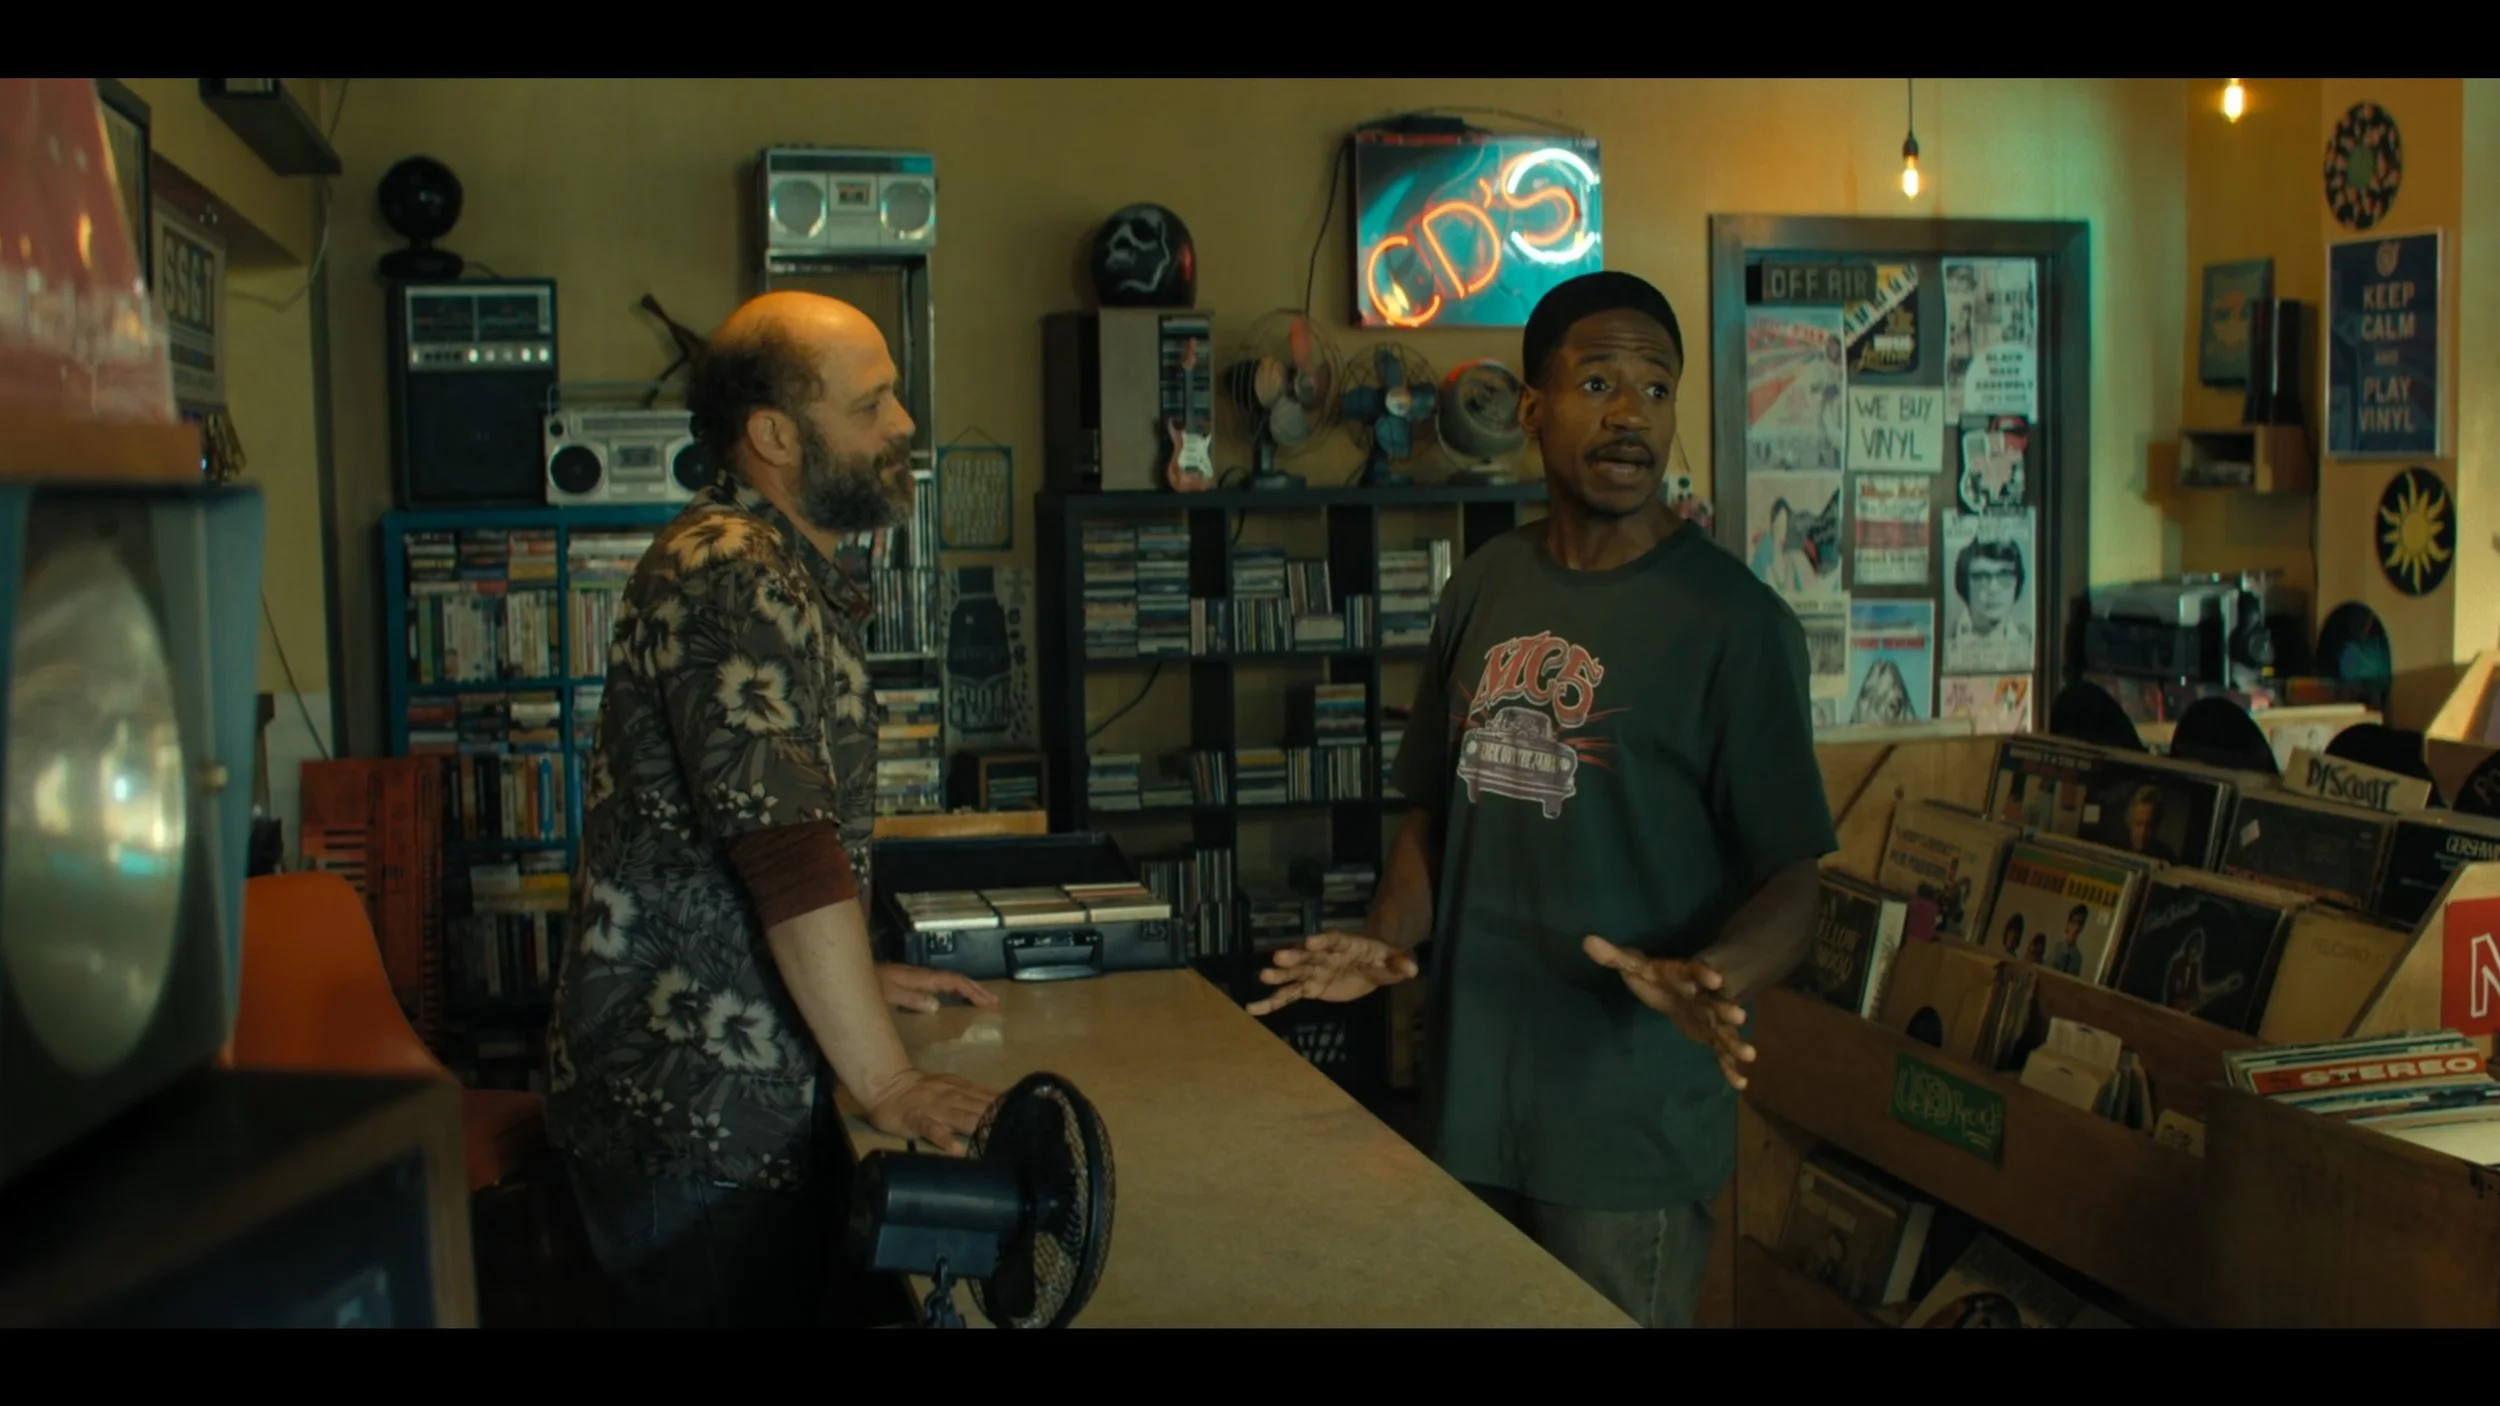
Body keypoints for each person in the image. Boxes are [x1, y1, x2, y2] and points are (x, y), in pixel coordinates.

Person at [1249, 271, 1836, 1329]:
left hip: (1625, 1134)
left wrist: (1718, 973)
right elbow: (1435, 813)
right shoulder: (1483, 585)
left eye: (1656, 389)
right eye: (1599, 381)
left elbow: (1796, 878)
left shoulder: (1734, 626)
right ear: (1529, 409)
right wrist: (1385, 939)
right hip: (1470, 1104)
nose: (1630, 414)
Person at [544, 290, 999, 1329]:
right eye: (874, 401)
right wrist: (885, 1076)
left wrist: (854, 977)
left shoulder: (781, 567)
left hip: (732, 1084)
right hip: (691, 1113)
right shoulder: (732, 574)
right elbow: (785, 849)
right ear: (774, 435)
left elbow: (731, 847)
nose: (905, 425)